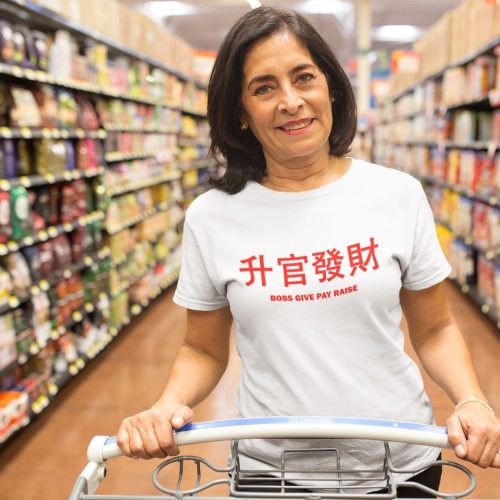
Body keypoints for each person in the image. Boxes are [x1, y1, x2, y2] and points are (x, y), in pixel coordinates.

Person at [117, 6, 500, 496]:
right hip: (269, 469)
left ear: (332, 88)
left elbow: (436, 327)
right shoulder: (212, 216)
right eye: (264, 88)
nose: (291, 101)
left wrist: (473, 400)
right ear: (239, 111)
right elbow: (202, 347)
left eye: (304, 78)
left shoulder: (397, 194)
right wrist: (164, 405)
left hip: (400, 464)